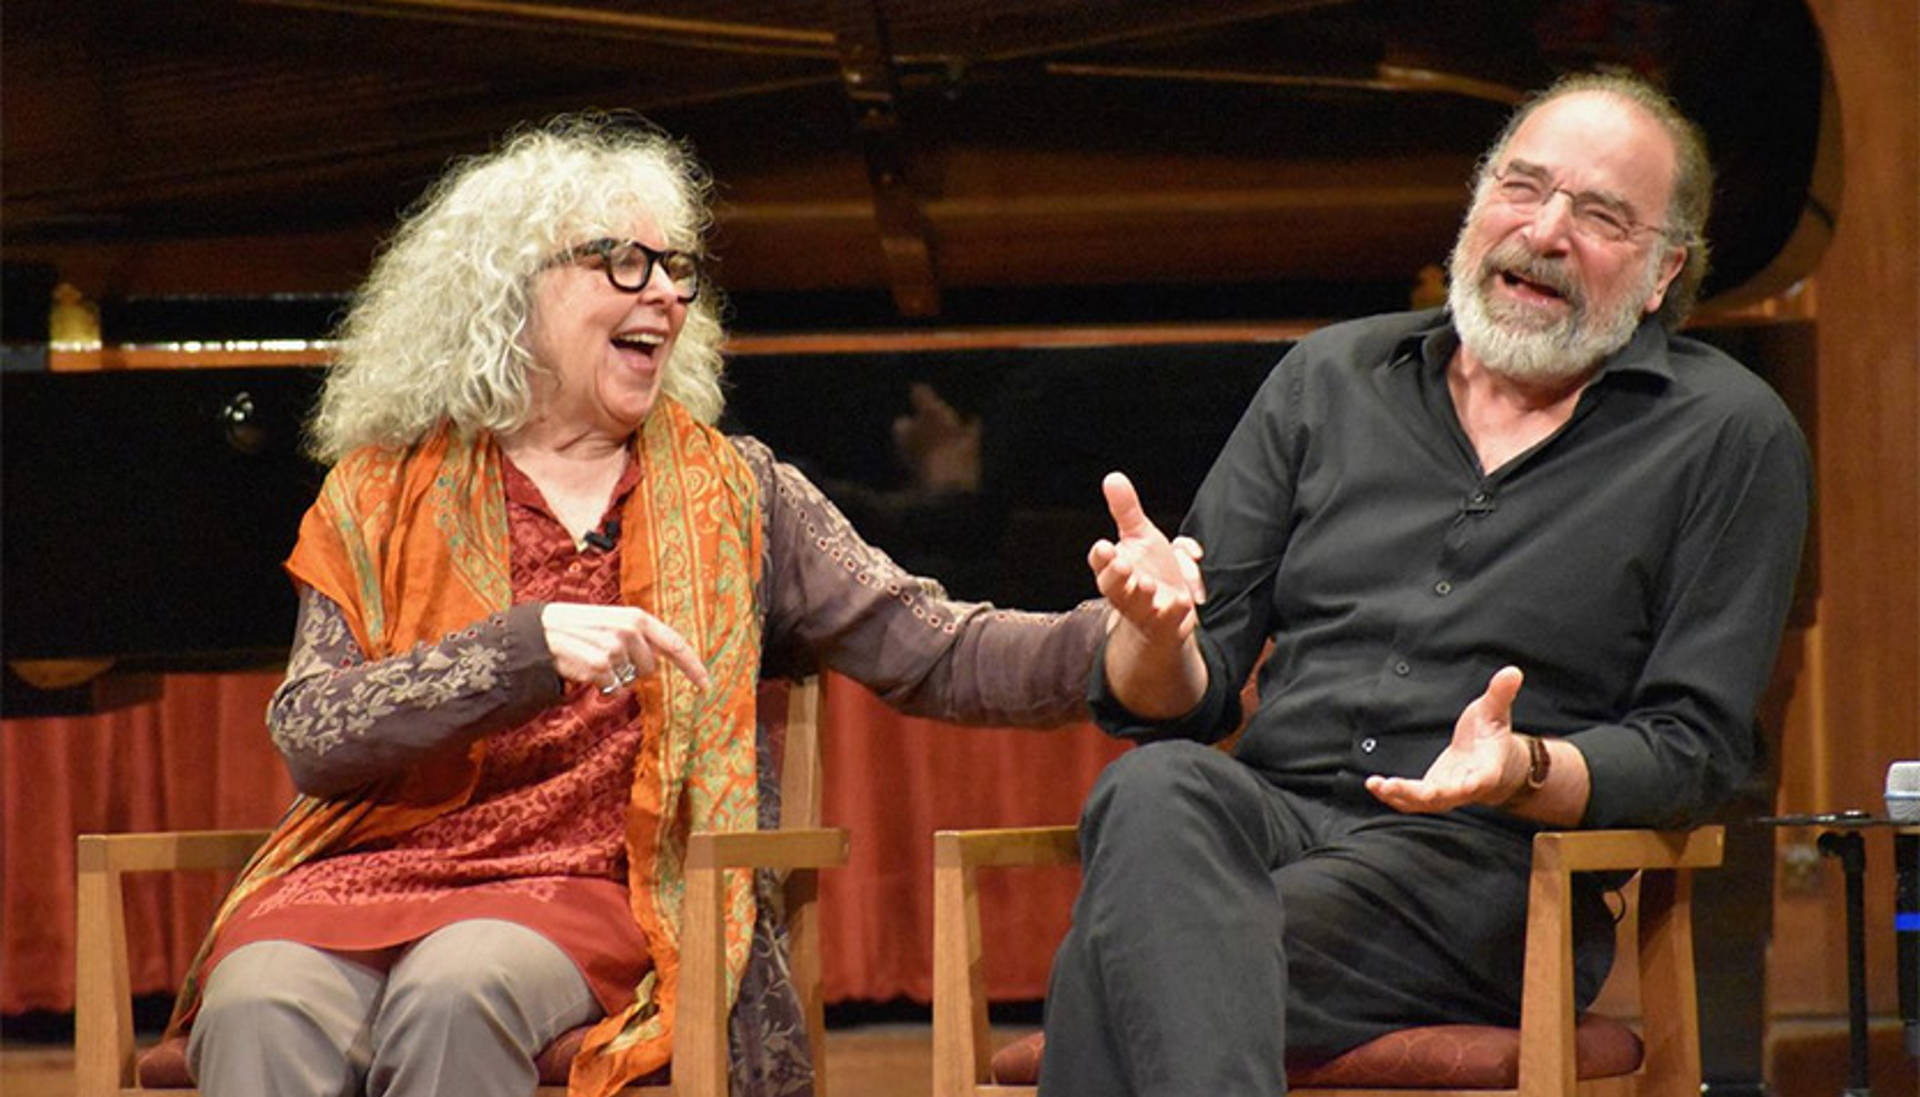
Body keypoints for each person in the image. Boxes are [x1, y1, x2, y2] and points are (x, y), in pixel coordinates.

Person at [166, 113, 1104, 1097]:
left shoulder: (740, 493)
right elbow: (312, 728)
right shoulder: (376, 494)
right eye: (619, 261)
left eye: (674, 265)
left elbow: (938, 647)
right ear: (508, 291)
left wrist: (1116, 641)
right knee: (256, 997)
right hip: (361, 871)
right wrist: (520, 647)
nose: (663, 289)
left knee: (457, 986)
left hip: (596, 885)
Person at [1047, 71, 1812, 1096]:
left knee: (1136, 940)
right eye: (1521, 185)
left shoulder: (1728, 435)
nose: (1543, 230)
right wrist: (1155, 639)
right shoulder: (1327, 380)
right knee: (1152, 789)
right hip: (1266, 825)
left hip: (1489, 876)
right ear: (1474, 200)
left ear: (1666, 267)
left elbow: (1697, 747)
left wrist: (1525, 765)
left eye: (1598, 215)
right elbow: (1187, 694)